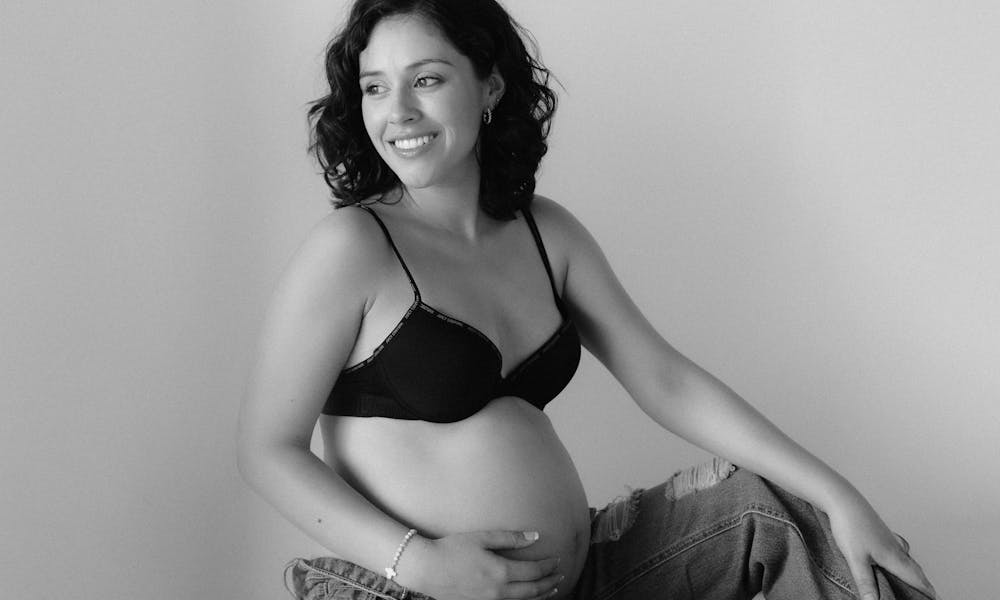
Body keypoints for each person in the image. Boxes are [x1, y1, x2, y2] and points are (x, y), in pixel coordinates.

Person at [236, 1, 938, 599]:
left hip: (584, 579)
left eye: (427, 79)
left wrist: (841, 496)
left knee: (790, 520)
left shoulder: (547, 233)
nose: (400, 112)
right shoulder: (354, 248)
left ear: (490, 87)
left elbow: (665, 381)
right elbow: (268, 449)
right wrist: (416, 560)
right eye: (375, 87)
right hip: (415, 587)